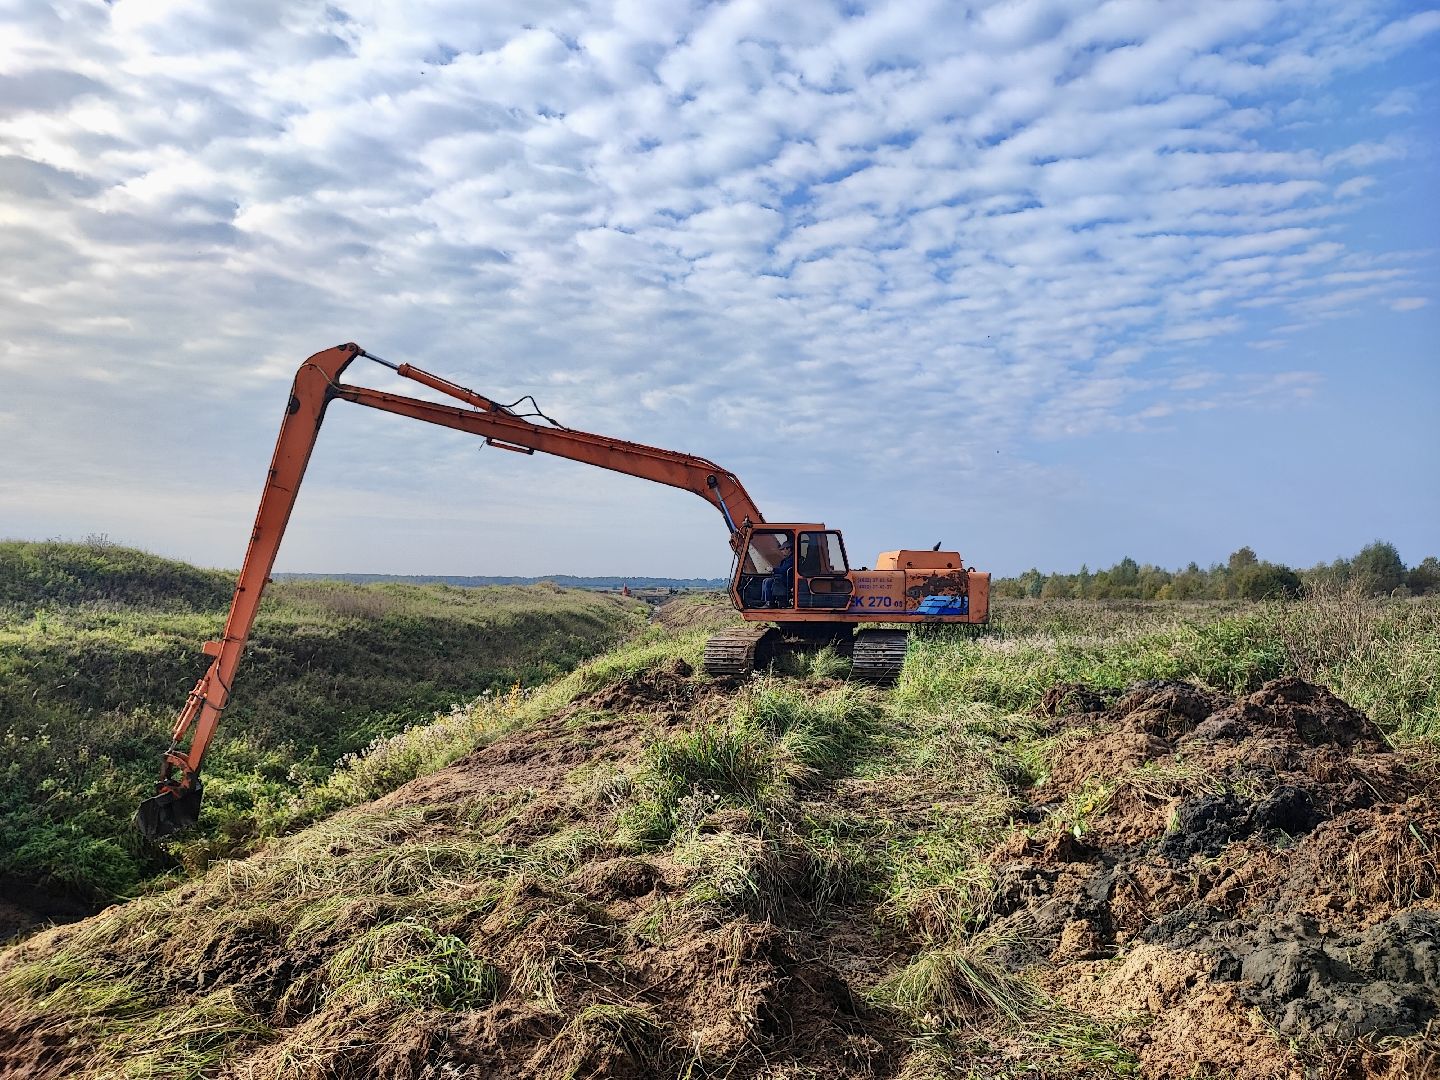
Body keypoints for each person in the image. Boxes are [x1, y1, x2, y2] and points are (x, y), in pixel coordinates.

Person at [761, 540, 794, 607]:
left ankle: (770, 603)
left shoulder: (792, 559)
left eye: (782, 549)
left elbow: (784, 570)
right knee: (765, 580)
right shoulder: (786, 560)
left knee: (768, 581)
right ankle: (765, 601)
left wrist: (773, 569)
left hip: (788, 580)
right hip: (783, 578)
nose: (781, 551)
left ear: (788, 549)